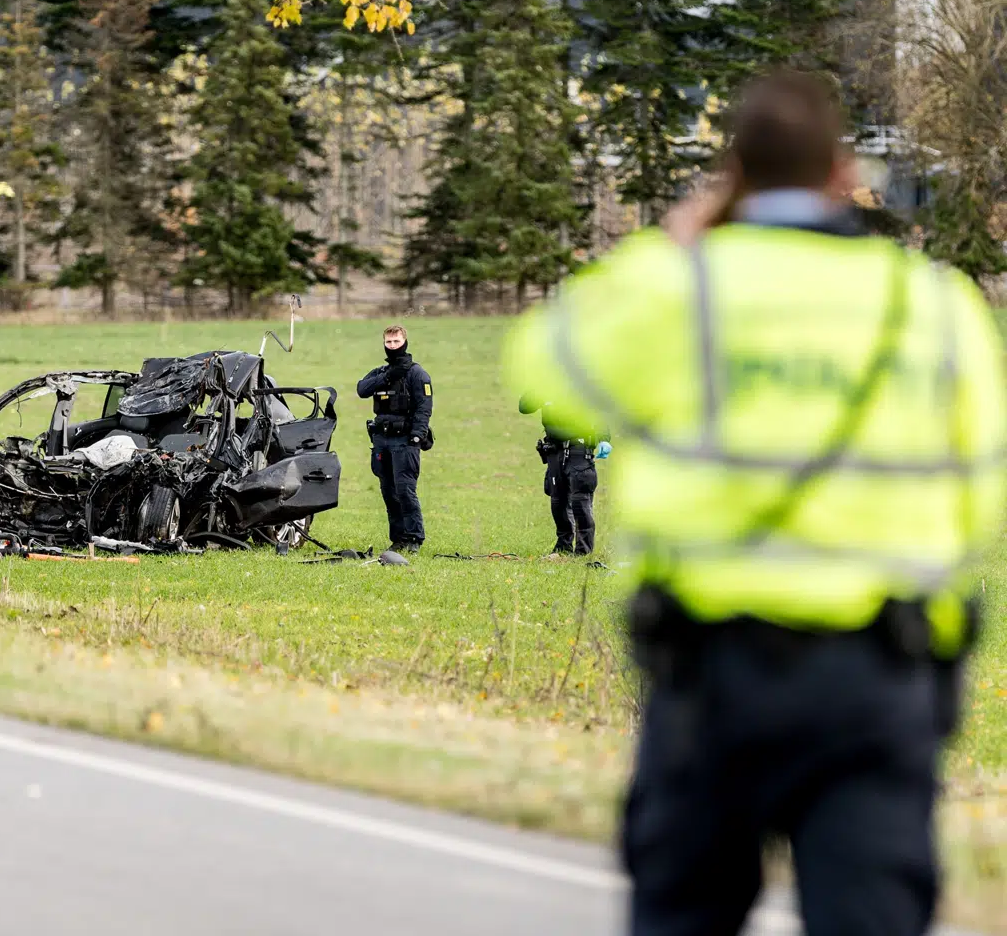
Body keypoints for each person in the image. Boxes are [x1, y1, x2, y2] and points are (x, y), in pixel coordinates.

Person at [501, 70, 1007, 936]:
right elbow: (981, 491)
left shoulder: (682, 288)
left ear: (733, 172)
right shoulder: (930, 303)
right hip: (877, 670)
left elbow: (544, 367)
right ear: (844, 169)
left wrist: (672, 243)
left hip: (713, 669)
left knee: (683, 912)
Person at [357, 324, 433, 552]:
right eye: (389, 343)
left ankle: (414, 538)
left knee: (405, 491)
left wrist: (417, 438)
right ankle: (398, 538)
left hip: (405, 441)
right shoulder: (381, 372)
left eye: (396, 342)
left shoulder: (417, 373)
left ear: (405, 342)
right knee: (388, 492)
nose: (392, 346)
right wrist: (388, 376)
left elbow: (424, 408)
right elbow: (362, 389)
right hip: (382, 440)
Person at [519, 395, 611, 556]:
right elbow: (525, 407)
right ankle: (563, 547)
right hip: (554, 451)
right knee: (558, 501)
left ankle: (583, 550)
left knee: (580, 501)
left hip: (579, 450)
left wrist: (604, 439)